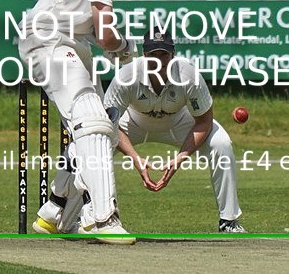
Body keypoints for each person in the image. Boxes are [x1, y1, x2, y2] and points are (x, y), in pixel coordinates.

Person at [18, 0, 163, 244]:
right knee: (92, 122)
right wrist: (125, 49)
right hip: (47, 39)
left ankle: (55, 211)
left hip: (72, 41)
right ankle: (101, 217)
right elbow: (105, 35)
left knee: (103, 130)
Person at [104, 29, 246, 233]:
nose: (159, 61)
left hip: (178, 121)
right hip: (133, 121)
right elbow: (110, 123)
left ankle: (228, 221)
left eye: (164, 54)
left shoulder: (189, 76)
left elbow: (204, 121)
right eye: (153, 55)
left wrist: (181, 157)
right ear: (144, 54)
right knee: (97, 141)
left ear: (173, 54)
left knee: (221, 143)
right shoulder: (126, 76)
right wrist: (135, 158)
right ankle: (98, 216)